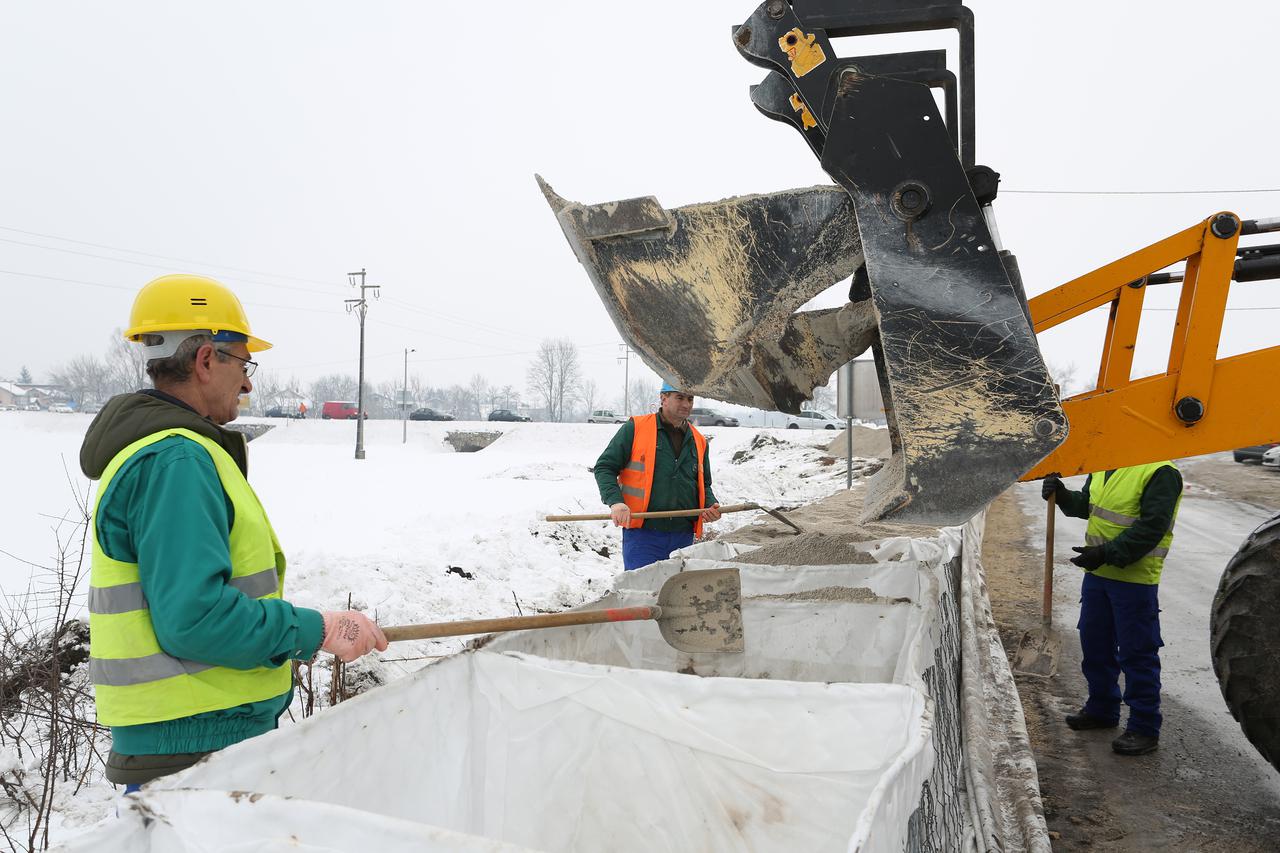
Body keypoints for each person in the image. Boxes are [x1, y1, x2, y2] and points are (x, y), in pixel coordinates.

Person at [80, 273, 387, 791]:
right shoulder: (177, 460)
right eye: (244, 365)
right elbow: (194, 619)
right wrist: (317, 629)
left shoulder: (171, 453)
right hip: (194, 755)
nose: (247, 383)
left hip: (195, 742)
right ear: (205, 362)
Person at [1042, 461, 1183, 756]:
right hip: (1098, 576)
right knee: (1095, 645)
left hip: (1134, 580)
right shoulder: (1107, 463)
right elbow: (1089, 505)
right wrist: (1063, 495)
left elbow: (1151, 528)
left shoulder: (1161, 471)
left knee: (1137, 652)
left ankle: (1144, 727)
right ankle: (1102, 709)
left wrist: (1107, 553)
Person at [593, 382, 723, 571]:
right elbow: (604, 467)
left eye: (690, 398)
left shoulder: (699, 440)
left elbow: (704, 483)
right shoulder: (635, 429)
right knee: (642, 594)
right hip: (643, 535)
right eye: (680, 397)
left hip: (683, 535)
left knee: (677, 593)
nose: (686, 404)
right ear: (663, 398)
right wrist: (616, 502)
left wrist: (710, 505)